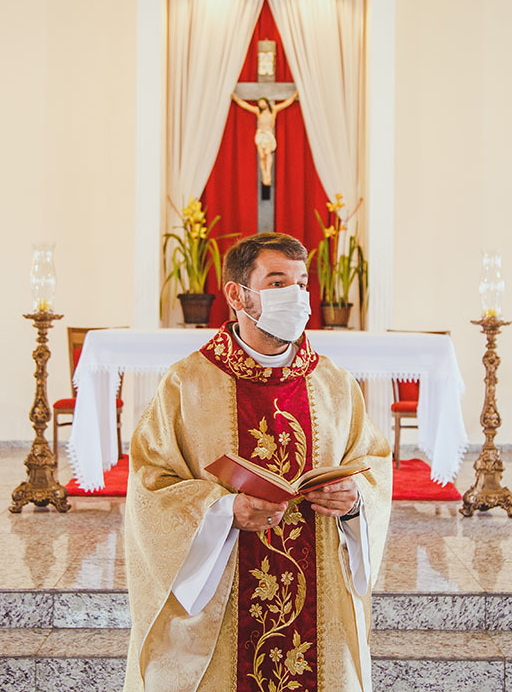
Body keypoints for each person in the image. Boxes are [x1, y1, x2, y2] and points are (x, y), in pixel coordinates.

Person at [123, 232, 392, 692]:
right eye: (278, 283)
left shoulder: (335, 385)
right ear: (237, 295)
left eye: (302, 284)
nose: (297, 297)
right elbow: (151, 485)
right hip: (223, 607)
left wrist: (354, 501)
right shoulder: (186, 384)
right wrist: (223, 510)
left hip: (319, 608)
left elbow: (373, 466)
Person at [230, 90, 298, 187]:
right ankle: (264, 175)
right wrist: (235, 98)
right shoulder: (258, 111)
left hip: (268, 135)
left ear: (266, 102)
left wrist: (295, 95)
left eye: (262, 102)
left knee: (268, 153)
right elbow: (245, 106)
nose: (261, 104)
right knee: (262, 156)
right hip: (260, 135)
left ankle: (268, 173)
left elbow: (286, 103)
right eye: (259, 103)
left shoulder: (273, 110)